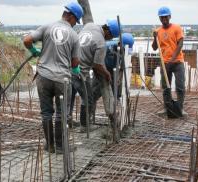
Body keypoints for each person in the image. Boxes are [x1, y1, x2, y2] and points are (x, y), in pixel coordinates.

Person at [23, 2, 83, 153]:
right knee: (61, 114)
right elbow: (75, 62)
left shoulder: (47, 27)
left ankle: (49, 145)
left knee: (46, 113)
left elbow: (27, 40)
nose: (76, 24)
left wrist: (34, 50)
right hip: (62, 79)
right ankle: (60, 146)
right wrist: (74, 67)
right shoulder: (74, 36)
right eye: (76, 21)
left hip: (43, 76)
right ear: (71, 17)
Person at [70, 19, 120, 134]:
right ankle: (84, 126)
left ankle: (68, 120)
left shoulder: (89, 25)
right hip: (79, 73)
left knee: (70, 96)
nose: (110, 39)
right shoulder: (101, 43)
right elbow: (97, 65)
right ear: (108, 32)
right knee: (88, 99)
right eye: (111, 37)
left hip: (68, 66)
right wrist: (107, 74)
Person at [152, 6, 185, 117]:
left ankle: (180, 108)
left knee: (180, 86)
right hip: (165, 63)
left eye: (165, 17)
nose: (164, 19)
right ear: (159, 18)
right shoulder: (158, 31)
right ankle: (168, 108)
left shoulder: (176, 28)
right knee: (166, 87)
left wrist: (172, 59)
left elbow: (180, 44)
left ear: (169, 16)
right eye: (161, 17)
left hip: (177, 62)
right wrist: (154, 38)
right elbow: (154, 48)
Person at [92, 33, 134, 110]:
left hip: (114, 70)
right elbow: (96, 63)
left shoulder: (125, 52)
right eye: (124, 48)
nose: (124, 51)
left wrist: (119, 78)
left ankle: (113, 110)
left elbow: (122, 67)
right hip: (101, 69)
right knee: (94, 92)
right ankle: (90, 113)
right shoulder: (107, 47)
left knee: (114, 92)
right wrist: (104, 73)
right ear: (119, 44)